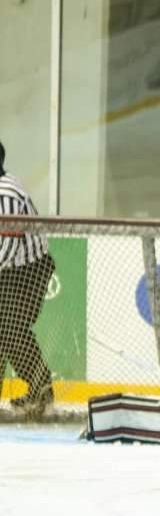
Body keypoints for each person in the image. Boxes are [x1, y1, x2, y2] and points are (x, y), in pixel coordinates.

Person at [0, 139, 55, 417]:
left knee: (9, 328)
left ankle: (41, 389)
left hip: (28, 269)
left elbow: (7, 249)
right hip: (8, 269)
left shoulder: (6, 192)